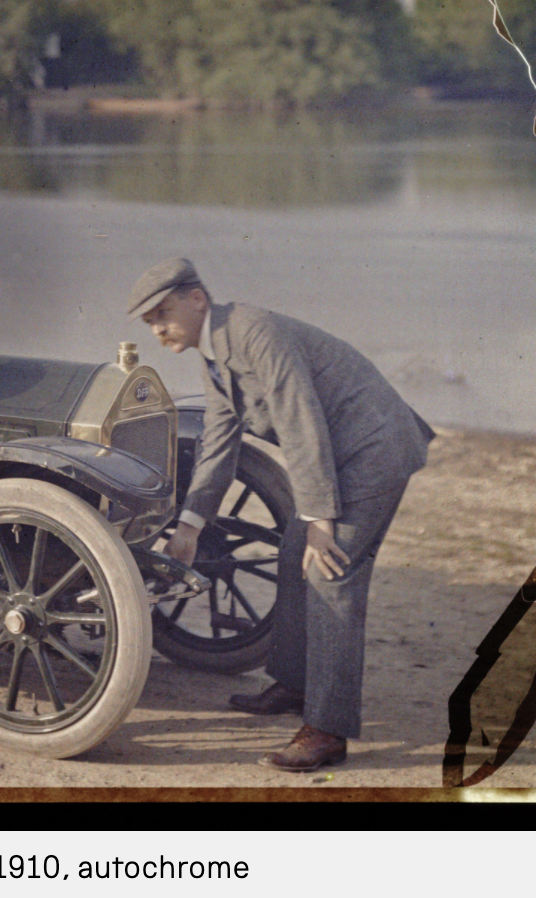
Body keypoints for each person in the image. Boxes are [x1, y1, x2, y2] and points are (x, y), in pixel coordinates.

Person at [129, 257, 434, 773]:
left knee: (329, 571)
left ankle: (327, 730)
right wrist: (189, 527)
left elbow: (300, 418)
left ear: (197, 298)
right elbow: (219, 445)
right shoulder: (215, 357)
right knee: (295, 550)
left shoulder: (254, 331)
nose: (158, 329)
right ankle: (294, 683)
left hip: (374, 448)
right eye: (148, 322)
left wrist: (319, 517)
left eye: (163, 313)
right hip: (341, 454)